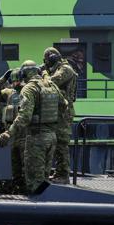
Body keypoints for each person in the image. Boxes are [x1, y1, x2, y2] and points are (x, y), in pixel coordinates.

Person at [0, 64, 67, 194]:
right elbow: (64, 105)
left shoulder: (29, 89)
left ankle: (35, 209)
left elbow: (24, 117)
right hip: (51, 137)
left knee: (34, 182)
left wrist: (8, 134)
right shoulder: (52, 86)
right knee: (45, 181)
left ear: (24, 75)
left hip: (36, 139)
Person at [44, 47, 78, 182]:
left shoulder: (65, 69)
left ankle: (63, 175)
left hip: (64, 113)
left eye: (47, 61)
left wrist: (44, 74)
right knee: (57, 143)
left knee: (62, 144)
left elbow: (50, 83)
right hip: (59, 112)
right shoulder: (60, 69)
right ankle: (59, 172)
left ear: (52, 58)